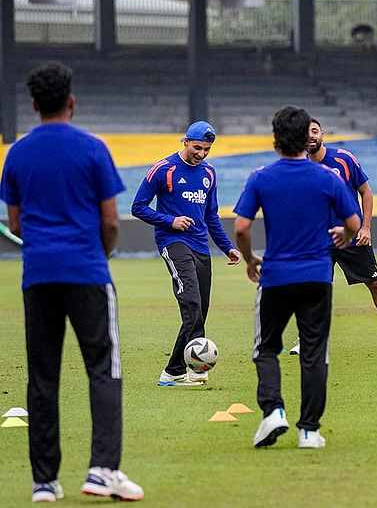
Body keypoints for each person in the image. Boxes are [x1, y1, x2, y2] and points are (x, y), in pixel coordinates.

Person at [0, 61, 143, 502]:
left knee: (42, 376)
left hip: (38, 275)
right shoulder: (93, 148)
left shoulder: (17, 153)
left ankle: (45, 481)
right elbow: (112, 221)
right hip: (87, 271)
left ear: (34, 103)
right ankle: (102, 471)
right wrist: (100, 255)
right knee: (103, 370)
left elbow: (15, 222)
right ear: (71, 101)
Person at [233, 106, 360, 449]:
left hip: (275, 275)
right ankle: (309, 431)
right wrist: (345, 237)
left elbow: (242, 228)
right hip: (318, 275)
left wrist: (249, 260)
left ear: (274, 140)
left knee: (267, 348)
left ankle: (273, 411)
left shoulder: (261, 177)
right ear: (308, 138)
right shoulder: (328, 178)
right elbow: (354, 223)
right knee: (314, 353)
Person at [287, 118, 377, 355]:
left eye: (315, 131)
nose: (311, 136)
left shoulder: (343, 159)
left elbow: (366, 192)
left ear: (322, 135)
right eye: (306, 133)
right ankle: (306, 337)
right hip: (317, 240)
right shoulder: (296, 167)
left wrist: (365, 228)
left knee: (375, 283)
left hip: (351, 235)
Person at [131, 121, 241, 387]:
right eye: (197, 147)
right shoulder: (163, 170)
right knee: (192, 304)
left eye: (207, 149)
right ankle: (197, 369)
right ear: (185, 142)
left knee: (199, 312)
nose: (201, 154)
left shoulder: (209, 174)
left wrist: (228, 246)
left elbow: (211, 216)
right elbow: (138, 207)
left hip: (201, 246)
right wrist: (170, 221)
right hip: (173, 243)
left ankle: (173, 372)